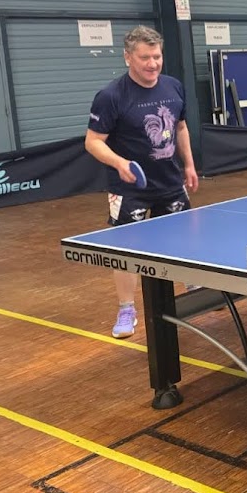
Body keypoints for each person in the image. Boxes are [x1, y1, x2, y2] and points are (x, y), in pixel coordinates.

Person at [84, 26, 199, 338]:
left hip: (170, 181)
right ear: (128, 57)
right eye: (145, 57)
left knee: (183, 237)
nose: (153, 64)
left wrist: (189, 164)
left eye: (157, 56)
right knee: (126, 249)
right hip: (128, 188)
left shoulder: (173, 86)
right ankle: (126, 308)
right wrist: (119, 163)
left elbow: (180, 127)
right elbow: (93, 142)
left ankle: (194, 284)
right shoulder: (111, 96)